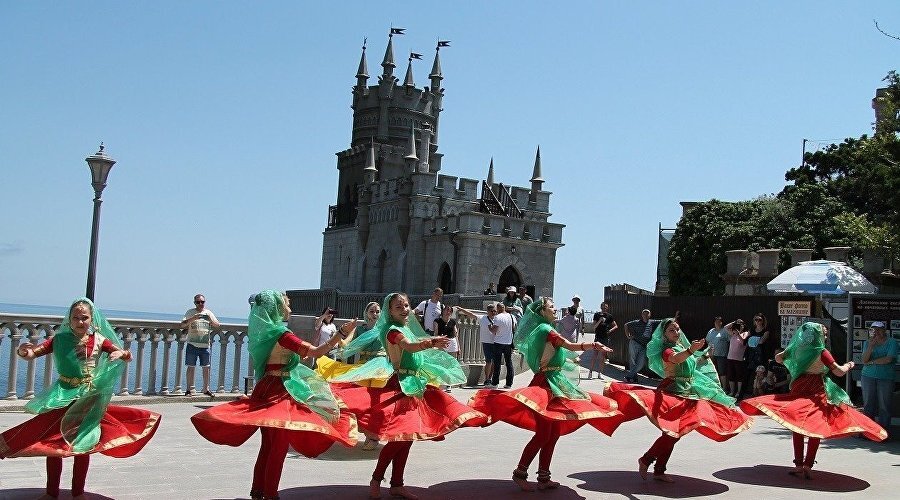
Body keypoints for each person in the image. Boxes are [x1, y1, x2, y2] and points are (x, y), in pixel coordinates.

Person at [191, 290, 359, 500]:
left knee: (268, 446)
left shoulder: (265, 333)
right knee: (278, 448)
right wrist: (341, 333)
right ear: (277, 308)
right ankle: (270, 494)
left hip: (266, 386)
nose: (289, 308)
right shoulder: (282, 335)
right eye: (286, 304)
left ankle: (258, 491)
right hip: (279, 390)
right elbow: (316, 352)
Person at [0, 298, 161, 499]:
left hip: (89, 398)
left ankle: (78, 493)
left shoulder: (99, 340)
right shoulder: (59, 340)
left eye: (84, 317)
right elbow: (33, 353)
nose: (80, 321)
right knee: (53, 445)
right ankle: (51, 493)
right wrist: (23, 351)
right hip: (62, 397)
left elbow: (127, 356)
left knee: (84, 445)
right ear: (69, 319)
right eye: (76, 318)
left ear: (92, 319)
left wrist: (121, 353)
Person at [332, 292, 487, 500]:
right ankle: (376, 480)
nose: (404, 309)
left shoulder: (404, 328)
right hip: (400, 386)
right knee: (398, 439)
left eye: (406, 305)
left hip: (414, 385)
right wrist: (430, 343)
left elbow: (414, 346)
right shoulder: (393, 331)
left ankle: (397, 484)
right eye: (398, 307)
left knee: (407, 437)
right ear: (390, 311)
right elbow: (409, 347)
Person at [470, 297, 622, 491]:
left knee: (553, 433)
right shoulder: (545, 329)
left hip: (556, 382)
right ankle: (520, 473)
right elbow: (569, 346)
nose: (555, 309)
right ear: (542, 311)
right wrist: (593, 345)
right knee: (543, 434)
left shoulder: (547, 328)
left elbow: (562, 352)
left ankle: (543, 477)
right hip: (545, 385)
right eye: (551, 307)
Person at [606, 318, 751, 483]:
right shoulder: (666, 350)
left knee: (674, 433)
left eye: (677, 329)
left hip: (689, 392)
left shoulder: (681, 347)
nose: (676, 332)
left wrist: (702, 354)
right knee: (674, 433)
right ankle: (647, 460)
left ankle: (658, 469)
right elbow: (675, 359)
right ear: (664, 334)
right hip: (674, 393)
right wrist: (690, 350)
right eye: (671, 330)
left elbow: (691, 363)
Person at [740, 322, 887, 479]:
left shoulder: (797, 348)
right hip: (816, 390)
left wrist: (793, 355)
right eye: (823, 333)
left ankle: (799, 464)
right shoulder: (821, 351)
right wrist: (849, 365)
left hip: (799, 386)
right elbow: (838, 372)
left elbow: (778, 358)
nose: (825, 336)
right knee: (815, 425)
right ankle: (807, 465)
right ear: (816, 335)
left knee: (798, 425)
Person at [860, 321, 897, 434]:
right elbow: (864, 360)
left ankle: (883, 432)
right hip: (867, 376)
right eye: (873, 330)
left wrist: (872, 362)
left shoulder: (892, 342)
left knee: (884, 406)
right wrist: (871, 346)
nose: (876, 332)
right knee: (868, 405)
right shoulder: (868, 343)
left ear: (884, 330)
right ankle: (868, 432)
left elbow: (888, 359)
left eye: (879, 329)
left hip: (885, 377)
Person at [181, 293, 221, 397]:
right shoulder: (190, 312)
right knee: (191, 367)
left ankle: (206, 389)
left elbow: (217, 325)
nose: (200, 304)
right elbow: (182, 324)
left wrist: (210, 320)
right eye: (198, 302)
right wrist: (193, 318)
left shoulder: (208, 313)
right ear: (194, 303)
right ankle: (188, 389)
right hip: (192, 344)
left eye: (202, 302)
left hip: (205, 346)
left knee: (206, 368)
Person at [623, 309, 659, 383]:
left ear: (650, 315)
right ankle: (634, 378)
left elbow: (663, 321)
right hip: (634, 343)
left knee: (640, 364)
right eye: (644, 314)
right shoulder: (636, 322)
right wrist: (628, 336)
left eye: (647, 314)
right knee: (633, 361)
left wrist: (674, 318)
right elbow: (626, 325)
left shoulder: (652, 322)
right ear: (642, 315)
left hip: (643, 346)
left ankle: (629, 376)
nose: (646, 315)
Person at [433, 305, 461, 392]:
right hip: (441, 343)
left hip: (452, 343)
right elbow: (435, 333)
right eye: (446, 310)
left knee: (451, 364)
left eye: (450, 311)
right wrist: (435, 344)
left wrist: (459, 347)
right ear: (443, 311)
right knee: (441, 363)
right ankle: (440, 384)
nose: (448, 312)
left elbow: (456, 335)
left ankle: (449, 384)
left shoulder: (453, 322)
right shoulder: (437, 321)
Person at [589, 301, 618, 379]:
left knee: (603, 356)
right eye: (603, 307)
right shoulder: (597, 315)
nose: (604, 308)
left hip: (605, 338)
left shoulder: (609, 316)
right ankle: (590, 372)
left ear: (607, 308)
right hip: (598, 337)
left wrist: (610, 331)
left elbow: (616, 326)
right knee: (595, 354)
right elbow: (594, 327)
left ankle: (600, 373)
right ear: (600, 307)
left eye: (605, 307)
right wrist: (600, 320)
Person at [491, 301, 516, 389]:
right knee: (509, 363)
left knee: (497, 363)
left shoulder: (498, 317)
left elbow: (494, 330)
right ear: (504, 308)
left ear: (498, 308)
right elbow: (514, 328)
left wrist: (490, 327)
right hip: (508, 342)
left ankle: (495, 383)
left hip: (498, 342)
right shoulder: (512, 316)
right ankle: (509, 384)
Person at [477, 303, 500, 386]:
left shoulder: (497, 319)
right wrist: (461, 309)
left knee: (494, 361)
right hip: (486, 342)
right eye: (492, 311)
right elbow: (471, 314)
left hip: (496, 342)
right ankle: (487, 379)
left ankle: (490, 378)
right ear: (488, 311)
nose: (493, 313)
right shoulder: (482, 318)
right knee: (488, 361)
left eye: (495, 311)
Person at [725, 319, 749, 398]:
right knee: (731, 375)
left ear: (744, 325)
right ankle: (732, 392)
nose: (740, 326)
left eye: (741, 324)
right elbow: (725, 327)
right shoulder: (733, 333)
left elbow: (743, 342)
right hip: (730, 358)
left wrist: (738, 333)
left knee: (739, 376)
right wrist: (734, 322)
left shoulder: (745, 333)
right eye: (739, 324)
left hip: (739, 359)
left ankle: (738, 392)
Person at [705, 316, 730, 387]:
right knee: (712, 372)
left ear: (721, 322)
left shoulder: (725, 331)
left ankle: (724, 388)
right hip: (711, 355)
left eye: (719, 321)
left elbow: (730, 340)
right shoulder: (711, 331)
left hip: (721, 355)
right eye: (716, 321)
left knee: (722, 372)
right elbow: (707, 340)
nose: (717, 323)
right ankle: (713, 387)